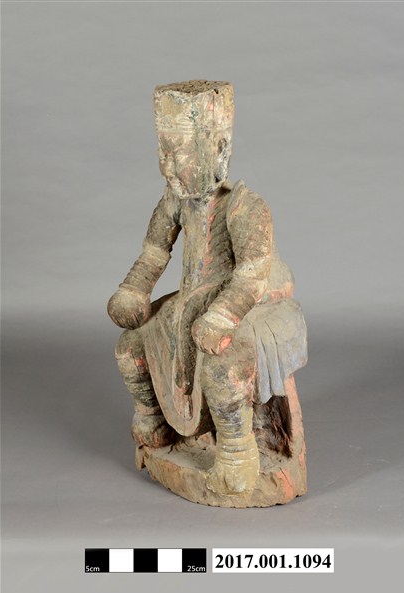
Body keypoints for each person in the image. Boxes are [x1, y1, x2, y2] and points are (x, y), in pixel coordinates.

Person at [107, 80, 307, 496]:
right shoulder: (175, 201)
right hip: (194, 305)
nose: (168, 166)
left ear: (217, 150)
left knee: (221, 366)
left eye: (179, 153)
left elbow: (251, 275)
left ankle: (237, 451)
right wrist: (133, 290)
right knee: (130, 347)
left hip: (252, 306)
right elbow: (153, 253)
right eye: (163, 152)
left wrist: (221, 317)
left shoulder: (245, 206)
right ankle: (154, 421)